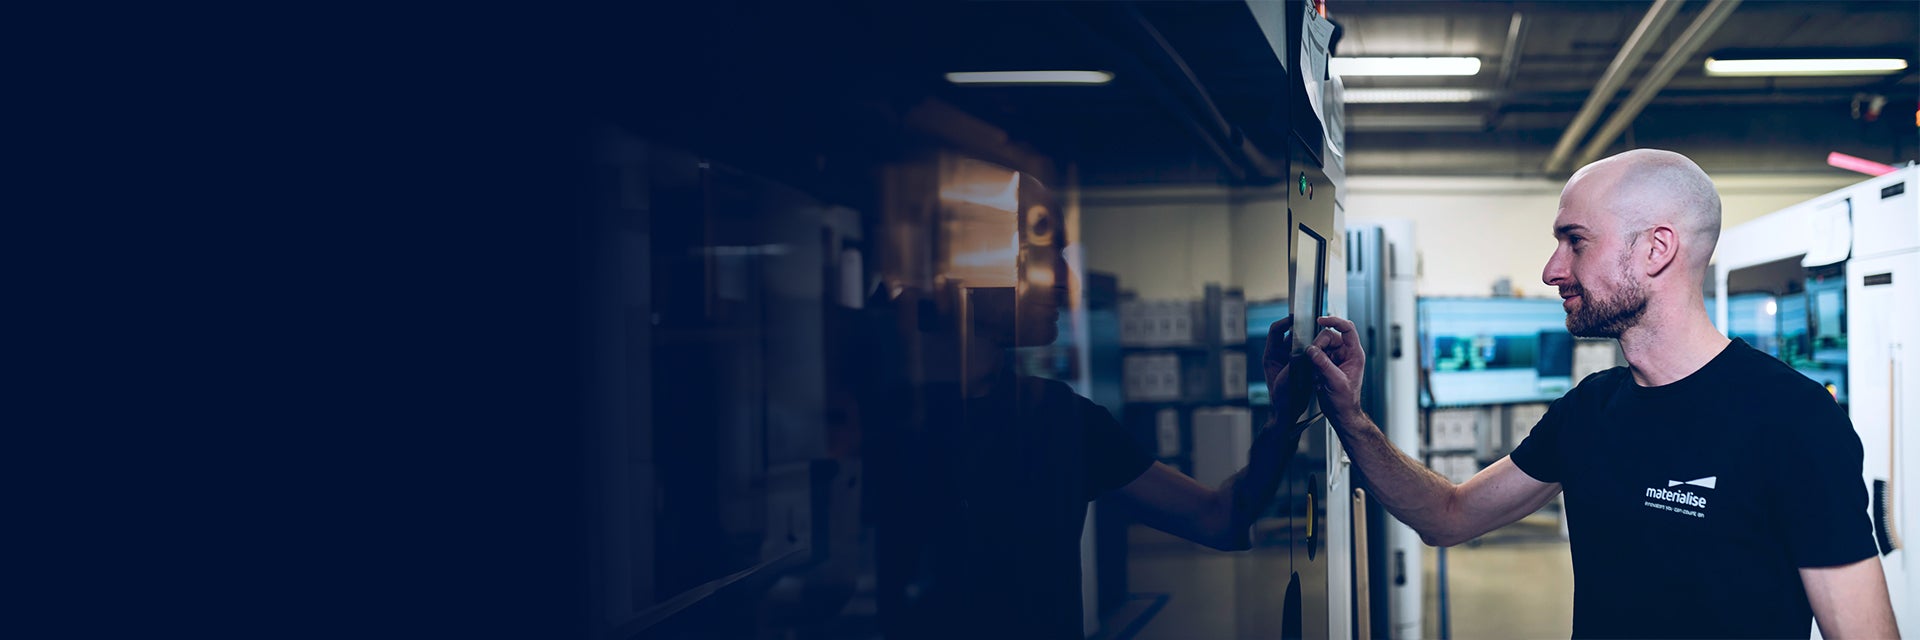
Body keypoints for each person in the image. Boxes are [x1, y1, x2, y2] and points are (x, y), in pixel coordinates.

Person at [1303, 148, 1899, 638]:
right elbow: (1448, 515)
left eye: (1575, 241)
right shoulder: (1589, 410)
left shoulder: (1793, 420)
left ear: (1656, 250)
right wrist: (1351, 418)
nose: (1551, 269)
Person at [865, 201, 1314, 639]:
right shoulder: (873, 419)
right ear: (965, 266)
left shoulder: (1061, 419)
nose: (1068, 280)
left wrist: (1281, 422)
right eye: (1039, 255)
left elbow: (1219, 520)